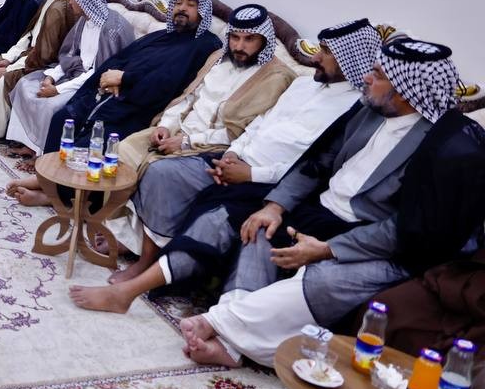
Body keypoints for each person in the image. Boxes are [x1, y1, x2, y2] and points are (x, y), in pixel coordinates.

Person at [181, 39, 479, 368]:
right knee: (261, 230)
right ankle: (233, 344)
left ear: (407, 90)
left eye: (379, 75)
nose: (366, 78)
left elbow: (408, 228)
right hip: (320, 211)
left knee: (322, 279)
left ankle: (218, 326)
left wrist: (328, 249)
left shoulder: (443, 147)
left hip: (369, 237)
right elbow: (318, 160)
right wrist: (275, 206)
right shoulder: (369, 111)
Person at [64, 18, 378, 314]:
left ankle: (146, 267)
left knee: (168, 177)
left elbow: (312, 168)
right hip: (234, 159)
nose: (316, 58)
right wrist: (234, 155)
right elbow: (259, 124)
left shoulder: (353, 109)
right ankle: (132, 245)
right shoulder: (303, 84)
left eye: (327, 52)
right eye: (321, 49)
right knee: (158, 171)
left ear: (351, 58)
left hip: (267, 182)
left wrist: (249, 173)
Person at [105, 3, 297, 268]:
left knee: (155, 169)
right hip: (178, 130)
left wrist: (185, 142)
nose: (239, 46)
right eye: (235, 37)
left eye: (249, 39)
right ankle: (119, 231)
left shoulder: (276, 77)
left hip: (209, 146)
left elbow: (240, 133)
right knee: (123, 150)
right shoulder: (219, 57)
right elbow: (189, 97)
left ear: (264, 40)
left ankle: (140, 248)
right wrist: (166, 125)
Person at [6, 0, 224, 201]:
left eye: (191, 5)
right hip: (109, 92)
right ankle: (48, 178)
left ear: (202, 12)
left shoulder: (204, 45)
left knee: (94, 143)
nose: (182, 8)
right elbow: (121, 58)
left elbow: (169, 80)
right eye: (179, 3)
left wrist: (124, 79)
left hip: (137, 106)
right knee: (63, 118)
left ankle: (53, 194)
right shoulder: (161, 35)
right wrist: (106, 76)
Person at [3, 0, 136, 156]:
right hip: (73, 74)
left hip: (92, 85)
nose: (70, 2)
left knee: (50, 106)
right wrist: (51, 77)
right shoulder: (84, 20)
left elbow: (99, 72)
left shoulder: (110, 29)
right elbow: (68, 55)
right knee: (24, 85)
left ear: (85, 1)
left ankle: (42, 154)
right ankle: (29, 145)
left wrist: (57, 90)